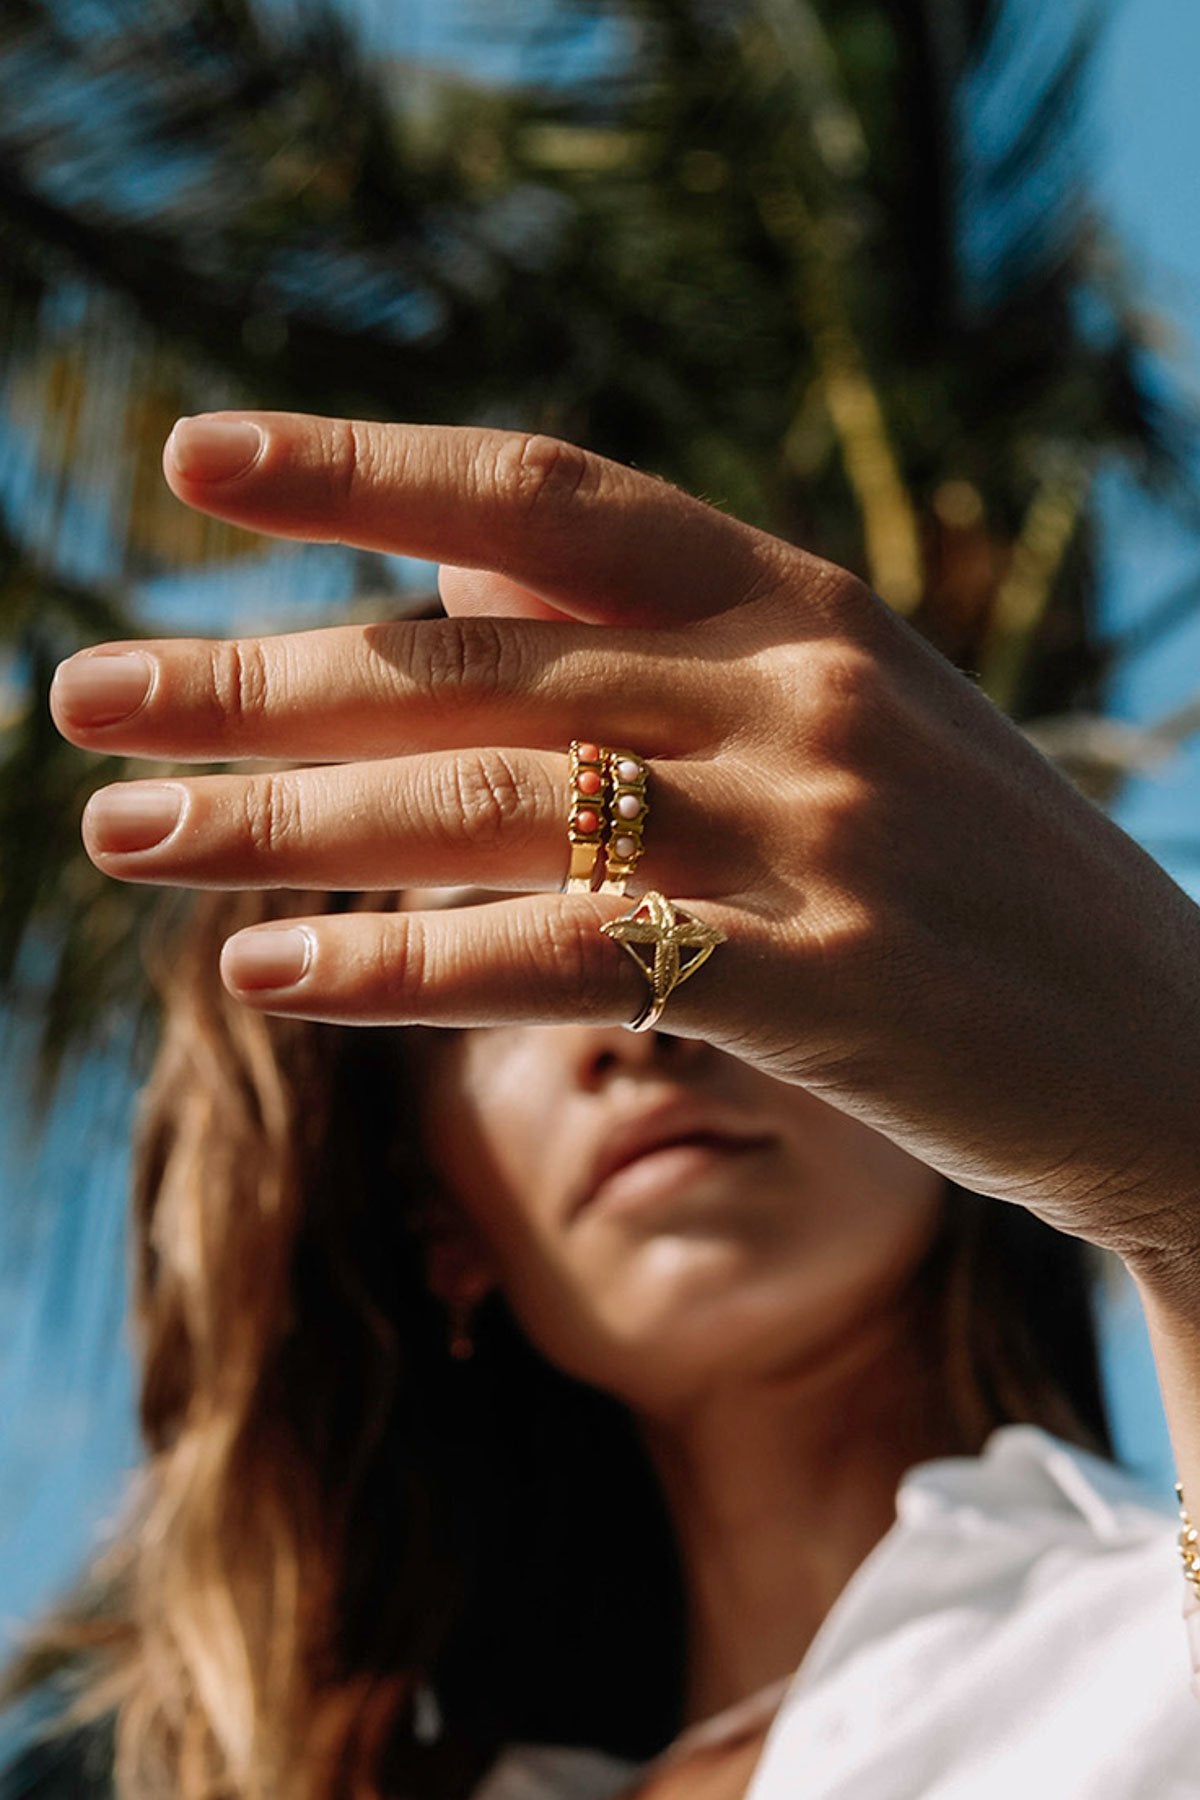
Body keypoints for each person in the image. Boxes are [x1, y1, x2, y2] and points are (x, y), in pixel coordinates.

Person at [10, 410, 1200, 1798]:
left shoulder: (1147, 1640)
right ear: (433, 1215)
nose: (641, 1020)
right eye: (505, 967)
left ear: (918, 1053)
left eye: (702, 921)